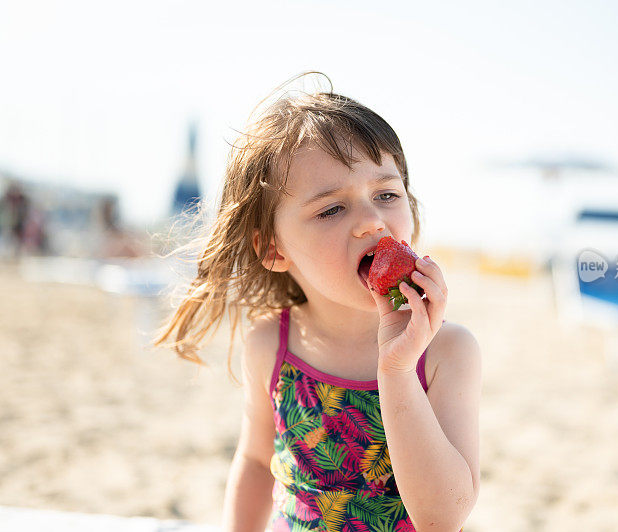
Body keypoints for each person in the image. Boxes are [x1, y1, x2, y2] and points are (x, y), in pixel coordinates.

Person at [152, 72, 481, 532]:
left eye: (386, 194)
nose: (372, 222)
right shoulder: (271, 345)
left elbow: (444, 516)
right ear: (273, 249)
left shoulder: (446, 352)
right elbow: (253, 462)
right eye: (331, 209)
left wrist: (398, 370)